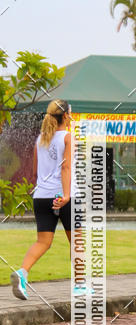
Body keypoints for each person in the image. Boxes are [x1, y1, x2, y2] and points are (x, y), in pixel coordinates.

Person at [11, 99, 72, 300]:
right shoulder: (68, 137)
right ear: (65, 116)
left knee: (43, 242)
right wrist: (66, 195)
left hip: (41, 196)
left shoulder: (41, 139)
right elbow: (65, 167)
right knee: (77, 243)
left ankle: (22, 273)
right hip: (63, 197)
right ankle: (80, 286)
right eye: (70, 113)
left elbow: (37, 171)